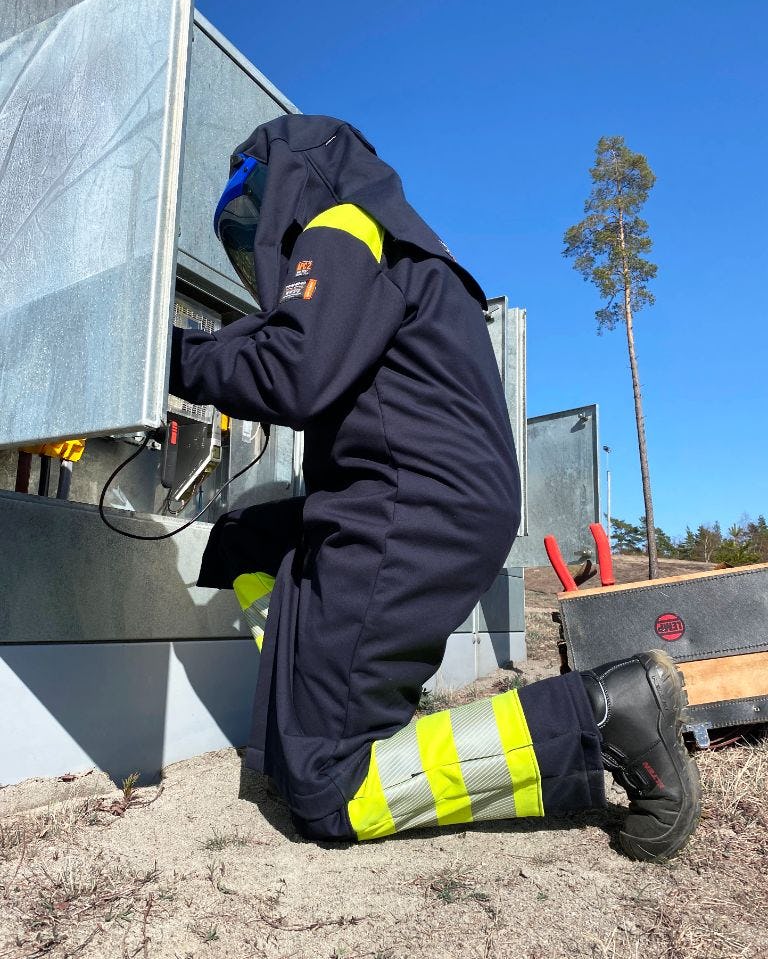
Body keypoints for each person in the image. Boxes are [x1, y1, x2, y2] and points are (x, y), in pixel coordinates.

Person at [169, 114, 701, 861]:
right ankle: (315, 703)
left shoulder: (342, 224)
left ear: (294, 178)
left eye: (255, 211)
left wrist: (169, 357)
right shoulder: (393, 239)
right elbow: (306, 350)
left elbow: (293, 371)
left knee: (326, 787)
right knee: (245, 537)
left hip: (408, 502)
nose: (257, 238)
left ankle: (608, 710)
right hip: (428, 496)